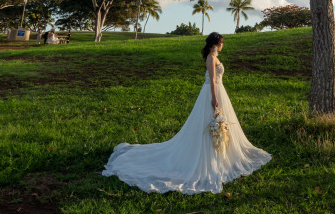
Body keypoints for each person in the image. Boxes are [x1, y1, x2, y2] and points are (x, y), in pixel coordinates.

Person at [101, 32, 272, 193]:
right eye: (221, 44)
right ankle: (209, 157)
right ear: (216, 44)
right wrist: (214, 98)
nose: (222, 46)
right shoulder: (211, 58)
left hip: (220, 90)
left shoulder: (214, 57)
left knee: (220, 124)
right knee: (209, 123)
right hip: (212, 92)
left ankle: (221, 156)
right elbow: (212, 79)